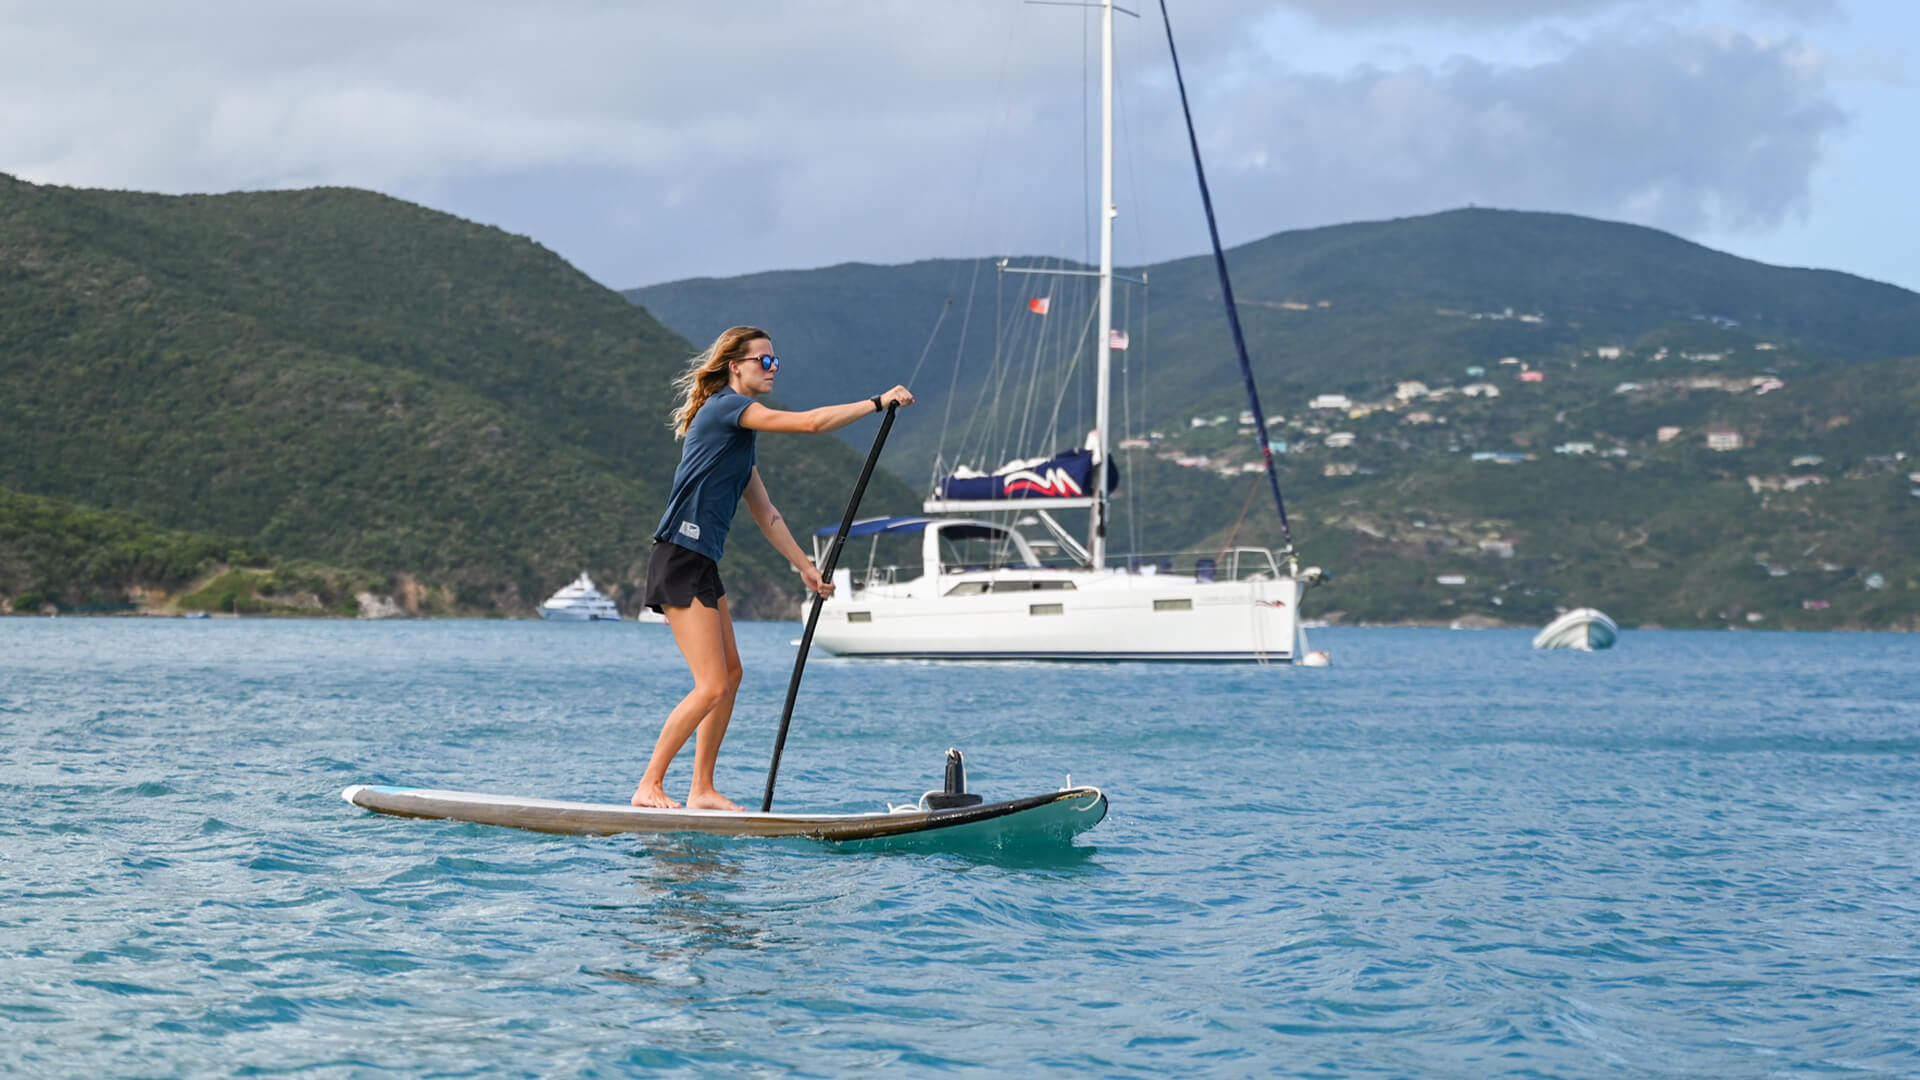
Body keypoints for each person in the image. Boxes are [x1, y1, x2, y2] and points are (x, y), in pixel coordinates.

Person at [633, 325, 914, 810]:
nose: (773, 368)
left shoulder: (740, 440)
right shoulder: (724, 408)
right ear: (735, 366)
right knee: (712, 684)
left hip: (702, 561)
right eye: (764, 360)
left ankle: (701, 789)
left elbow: (768, 514)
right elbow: (808, 424)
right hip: (680, 555)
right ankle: (649, 785)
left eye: (776, 361)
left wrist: (806, 568)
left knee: (732, 674)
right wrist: (876, 402)